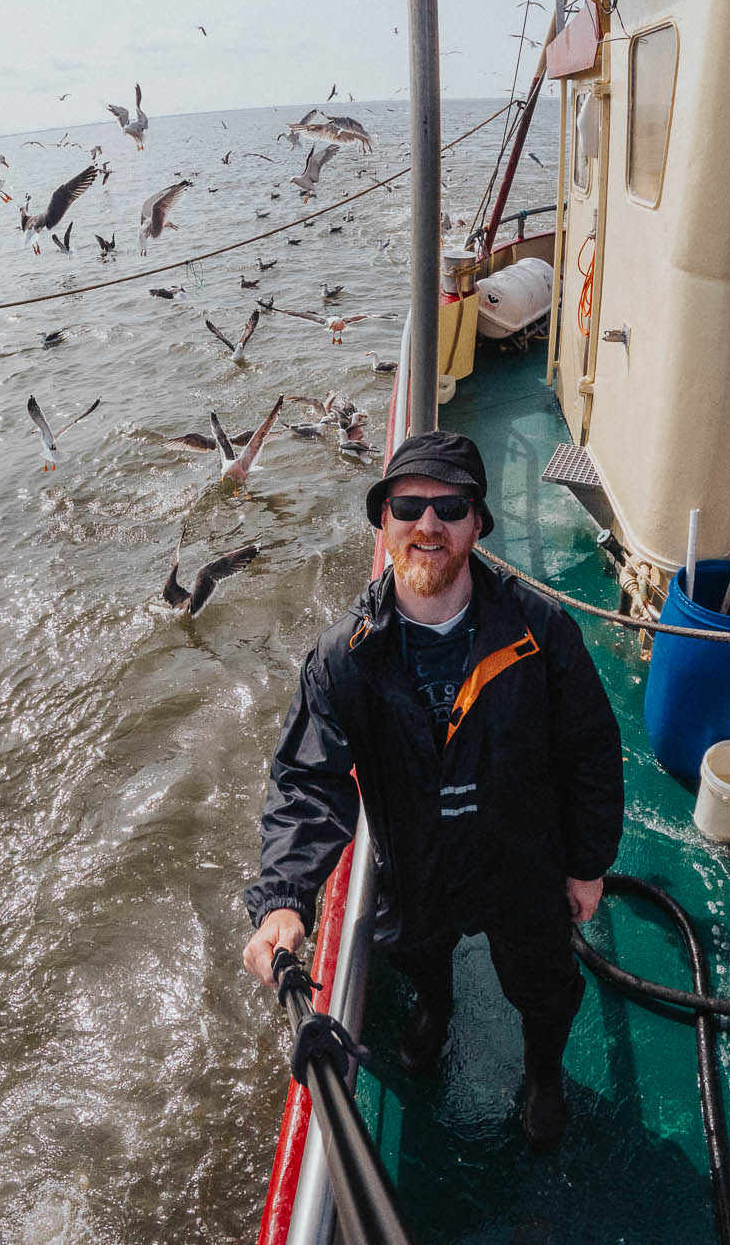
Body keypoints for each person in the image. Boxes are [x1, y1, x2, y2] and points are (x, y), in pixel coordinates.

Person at [242, 429, 624, 1151]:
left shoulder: (542, 632)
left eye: (450, 507)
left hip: (521, 859)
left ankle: (544, 1072)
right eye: (407, 506)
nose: (428, 523)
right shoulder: (344, 657)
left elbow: (592, 751)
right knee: (417, 954)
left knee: (545, 985)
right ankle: (434, 1006)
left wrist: (586, 863)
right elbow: (307, 780)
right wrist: (285, 898)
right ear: (383, 524)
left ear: (478, 524)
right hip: (415, 865)